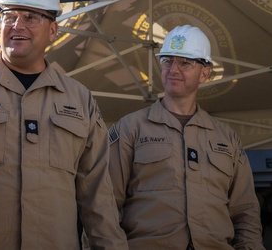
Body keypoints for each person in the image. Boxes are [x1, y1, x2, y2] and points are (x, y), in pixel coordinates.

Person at [0, 0, 127, 250]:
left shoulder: (79, 99)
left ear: (53, 29)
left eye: (30, 17)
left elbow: (97, 196)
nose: (17, 26)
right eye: (9, 16)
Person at [108, 25, 263, 249]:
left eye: (185, 63)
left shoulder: (227, 138)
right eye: (168, 61)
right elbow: (105, 204)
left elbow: (246, 211)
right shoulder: (130, 128)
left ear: (205, 73)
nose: (173, 69)